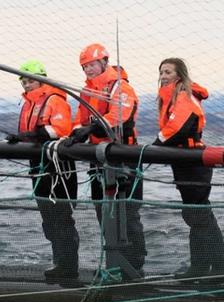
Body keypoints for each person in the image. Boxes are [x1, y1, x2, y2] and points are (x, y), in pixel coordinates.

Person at [66, 43, 146, 278]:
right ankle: (114, 262)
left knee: (128, 213)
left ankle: (134, 266)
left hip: (124, 157)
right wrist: (74, 134)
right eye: (84, 66)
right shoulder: (86, 91)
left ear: (104, 61)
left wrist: (89, 128)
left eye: (91, 65)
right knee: (103, 210)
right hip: (98, 159)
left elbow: (118, 116)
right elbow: (80, 120)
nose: (88, 70)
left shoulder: (121, 88)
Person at [6, 59, 80, 284]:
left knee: (61, 215)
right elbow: (33, 131)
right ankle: (60, 261)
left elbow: (60, 129)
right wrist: (25, 137)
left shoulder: (54, 99)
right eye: (24, 81)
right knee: (48, 216)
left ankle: (68, 265)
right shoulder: (29, 103)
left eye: (30, 81)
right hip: (37, 164)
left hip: (58, 165)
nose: (27, 85)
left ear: (41, 79)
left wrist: (29, 136)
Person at [153, 57, 224, 278]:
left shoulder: (184, 95)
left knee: (199, 214)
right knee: (196, 214)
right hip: (184, 162)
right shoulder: (172, 97)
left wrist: (155, 146)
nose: (163, 76)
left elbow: (179, 127)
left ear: (179, 75)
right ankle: (202, 267)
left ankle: (215, 266)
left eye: (168, 72)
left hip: (193, 163)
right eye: (161, 72)